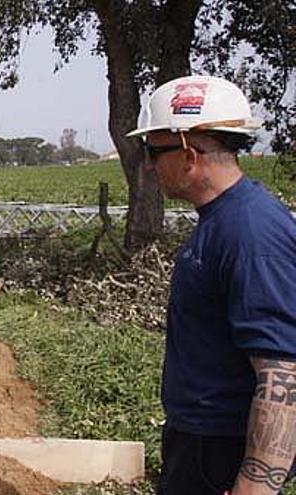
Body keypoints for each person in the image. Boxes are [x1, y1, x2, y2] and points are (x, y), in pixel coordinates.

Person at [128, 75, 296, 495]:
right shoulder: (224, 221)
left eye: (154, 150)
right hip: (199, 443)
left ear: (188, 155)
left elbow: (281, 373)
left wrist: (254, 486)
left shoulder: (250, 234)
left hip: (219, 453)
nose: (149, 164)